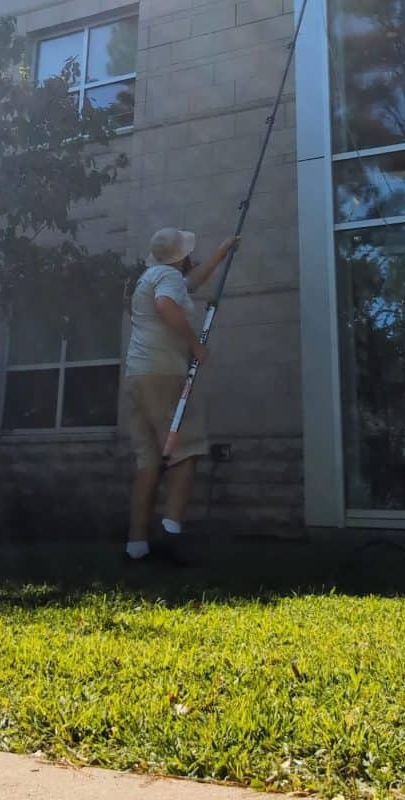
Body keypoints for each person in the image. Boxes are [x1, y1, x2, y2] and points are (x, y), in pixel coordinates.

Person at [124, 227, 238, 562]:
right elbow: (167, 305)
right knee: (185, 453)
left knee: (149, 461)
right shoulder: (167, 281)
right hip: (164, 374)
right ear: (182, 256)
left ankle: (136, 546)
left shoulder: (152, 276)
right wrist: (195, 345)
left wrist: (222, 250)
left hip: (138, 375)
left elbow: (191, 285)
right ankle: (170, 542)